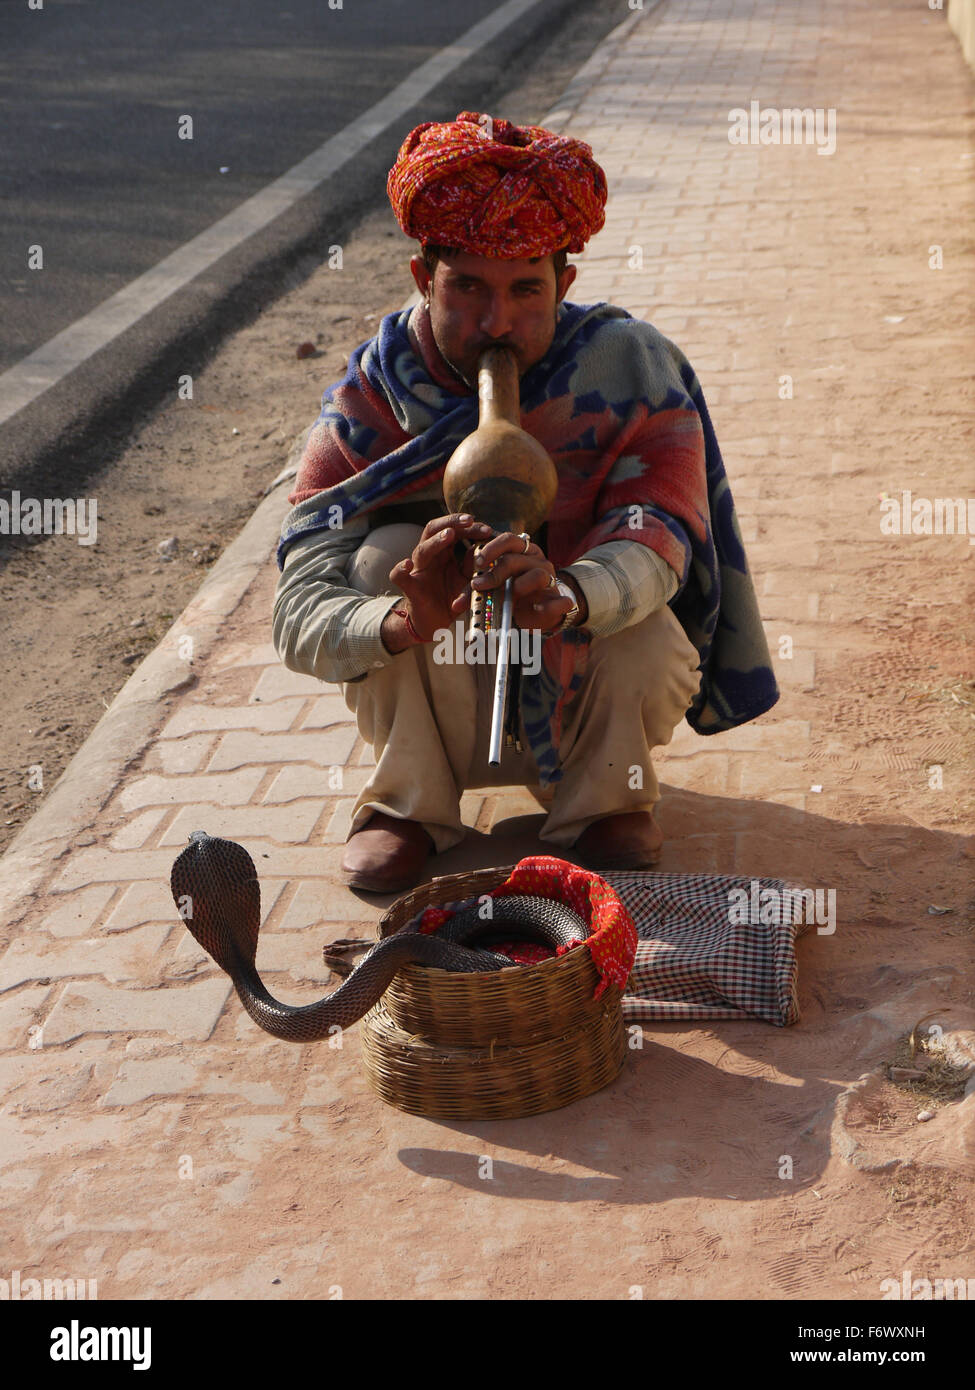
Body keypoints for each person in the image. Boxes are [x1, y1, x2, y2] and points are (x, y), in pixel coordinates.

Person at [273, 111, 778, 892]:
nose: (494, 321)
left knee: (641, 607)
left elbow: (663, 535)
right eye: (466, 286)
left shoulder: (631, 367)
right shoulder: (369, 393)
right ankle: (409, 808)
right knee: (379, 561)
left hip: (581, 673)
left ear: (564, 284)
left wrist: (572, 592)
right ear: (422, 278)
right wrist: (403, 621)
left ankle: (603, 800)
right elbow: (298, 606)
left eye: (525, 291)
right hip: (448, 686)